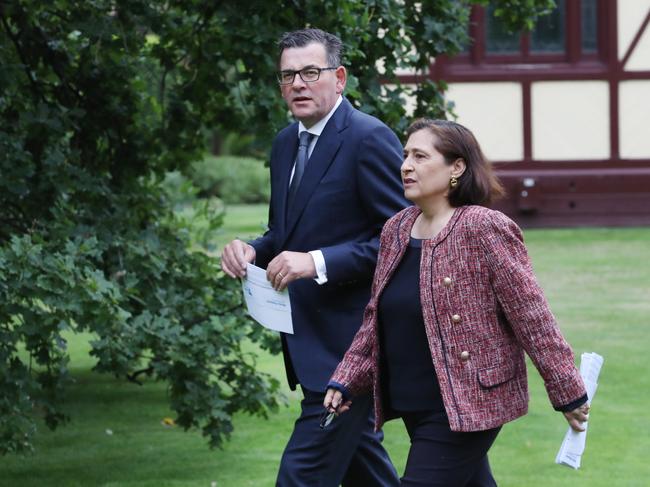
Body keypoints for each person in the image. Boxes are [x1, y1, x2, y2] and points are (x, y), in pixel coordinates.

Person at [324, 119, 590, 487]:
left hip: (470, 402)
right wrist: (346, 379)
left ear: (457, 167)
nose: (406, 166)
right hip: (413, 398)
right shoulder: (396, 229)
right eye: (405, 156)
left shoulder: (483, 227)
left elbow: (531, 315)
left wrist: (568, 389)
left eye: (420, 156)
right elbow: (376, 318)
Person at [220, 28, 407, 487]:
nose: (298, 84)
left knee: (300, 476)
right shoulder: (285, 142)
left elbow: (401, 240)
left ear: (339, 78)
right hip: (306, 341)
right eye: (288, 76)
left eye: (310, 72)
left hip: (352, 348)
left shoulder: (369, 138)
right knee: (365, 471)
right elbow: (284, 232)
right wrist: (252, 249)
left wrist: (317, 262)